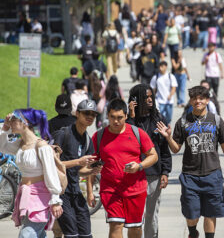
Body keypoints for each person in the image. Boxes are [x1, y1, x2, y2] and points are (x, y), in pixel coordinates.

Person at [156, 86, 224, 238]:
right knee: (192, 214)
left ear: (207, 100)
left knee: (210, 212)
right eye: (194, 98)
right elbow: (175, 148)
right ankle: (193, 232)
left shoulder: (216, 120)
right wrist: (167, 137)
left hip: (212, 174)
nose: (197, 101)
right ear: (191, 100)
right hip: (190, 176)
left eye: (201, 98)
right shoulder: (183, 122)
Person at [87, 98, 158, 238]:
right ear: (107, 116)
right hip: (110, 190)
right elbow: (92, 165)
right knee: (115, 224)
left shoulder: (137, 133)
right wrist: (90, 191)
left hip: (135, 190)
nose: (116, 121)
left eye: (120, 117)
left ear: (126, 116)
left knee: (135, 228)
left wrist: (139, 166)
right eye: (112, 117)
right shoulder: (99, 136)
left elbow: (153, 155)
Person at [0, 109, 63, 237]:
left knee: (26, 235)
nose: (10, 122)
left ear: (25, 123)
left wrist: (55, 200)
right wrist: (5, 127)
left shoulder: (42, 146)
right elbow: (2, 147)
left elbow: (51, 174)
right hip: (25, 195)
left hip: (40, 198)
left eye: (13, 119)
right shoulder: (20, 144)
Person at [127, 84, 172, 238]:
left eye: (151, 96)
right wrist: (131, 117)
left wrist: (165, 172)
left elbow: (164, 148)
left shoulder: (158, 119)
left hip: (154, 174)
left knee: (152, 215)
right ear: (135, 100)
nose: (149, 99)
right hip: (134, 175)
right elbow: (126, 140)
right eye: (145, 97)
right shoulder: (129, 121)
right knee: (135, 216)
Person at [53, 100, 102, 238]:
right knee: (71, 235)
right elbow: (53, 164)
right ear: (77, 114)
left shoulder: (87, 140)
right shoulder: (63, 134)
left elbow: (80, 171)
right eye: (87, 113)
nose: (90, 117)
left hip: (76, 191)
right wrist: (78, 161)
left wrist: (92, 171)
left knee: (86, 234)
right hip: (62, 193)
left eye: (93, 114)